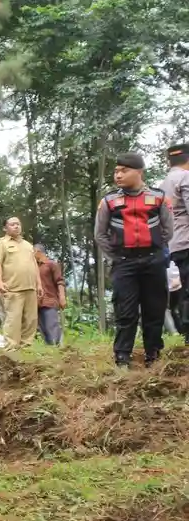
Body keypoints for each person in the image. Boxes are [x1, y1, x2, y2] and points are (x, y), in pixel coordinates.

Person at [94, 152, 173, 367]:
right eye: (116, 171)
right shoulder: (109, 200)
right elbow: (100, 234)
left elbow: (168, 231)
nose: (118, 175)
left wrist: (154, 250)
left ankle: (153, 354)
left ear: (139, 172)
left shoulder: (158, 197)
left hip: (153, 261)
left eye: (124, 171)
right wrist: (117, 256)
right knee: (125, 312)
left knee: (154, 309)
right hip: (124, 263)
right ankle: (122, 357)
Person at [0, 217, 39, 350]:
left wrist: (39, 284)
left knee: (31, 320)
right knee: (13, 320)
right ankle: (11, 349)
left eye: (18, 224)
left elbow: (34, 265)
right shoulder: (0, 244)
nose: (16, 226)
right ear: (5, 228)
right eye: (12, 224)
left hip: (30, 288)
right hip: (13, 289)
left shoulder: (28, 245)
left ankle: (27, 347)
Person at [161, 143, 189, 338]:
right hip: (188, 241)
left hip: (174, 245)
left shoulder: (163, 184)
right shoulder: (185, 177)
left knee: (185, 289)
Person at [34, 244, 66, 346]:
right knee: (42, 328)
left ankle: (57, 345)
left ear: (38, 252)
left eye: (33, 252)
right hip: (38, 302)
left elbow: (60, 282)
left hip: (50, 300)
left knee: (51, 325)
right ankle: (50, 347)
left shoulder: (51, 264)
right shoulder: (34, 267)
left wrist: (62, 297)